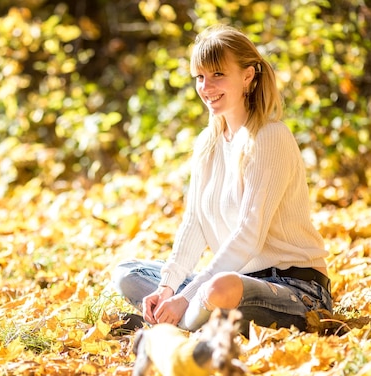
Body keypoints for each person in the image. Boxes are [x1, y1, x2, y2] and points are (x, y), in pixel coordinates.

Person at [112, 24, 332, 333]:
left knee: (219, 290)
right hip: (229, 281)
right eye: (200, 77)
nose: (206, 87)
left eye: (217, 74)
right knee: (127, 272)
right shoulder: (208, 142)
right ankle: (188, 319)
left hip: (293, 289)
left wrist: (186, 296)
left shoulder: (270, 137)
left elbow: (249, 236)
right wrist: (168, 288)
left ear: (247, 75)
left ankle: (179, 323)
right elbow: (194, 224)